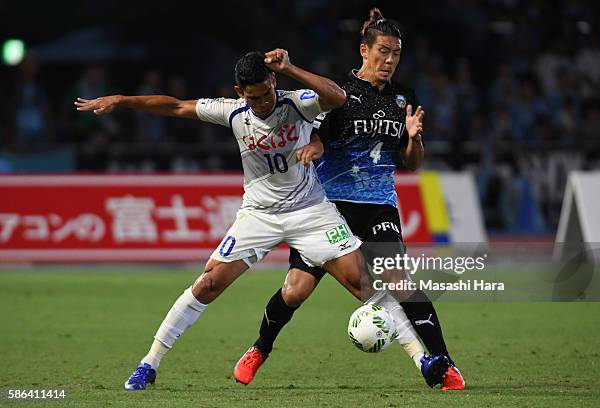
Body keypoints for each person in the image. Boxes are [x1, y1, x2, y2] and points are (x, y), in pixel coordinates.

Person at [75, 48, 427, 391]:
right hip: (258, 215)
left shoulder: (296, 101)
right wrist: (122, 99)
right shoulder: (232, 112)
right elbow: (175, 106)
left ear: (273, 81)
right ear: (239, 93)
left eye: (267, 92)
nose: (263, 103)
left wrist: (290, 68)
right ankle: (149, 364)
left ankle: (422, 359)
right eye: (255, 97)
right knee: (208, 284)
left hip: (309, 210)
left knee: (361, 283)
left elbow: (336, 97)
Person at [233, 9, 465, 391]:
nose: (389, 61)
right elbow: (319, 135)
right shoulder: (340, 94)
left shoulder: (404, 98)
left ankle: (444, 364)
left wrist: (414, 138)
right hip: (330, 207)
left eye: (396, 54)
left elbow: (410, 165)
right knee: (295, 290)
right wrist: (314, 147)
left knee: (399, 281)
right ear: (364, 50)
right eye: (383, 52)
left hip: (378, 204)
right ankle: (260, 348)